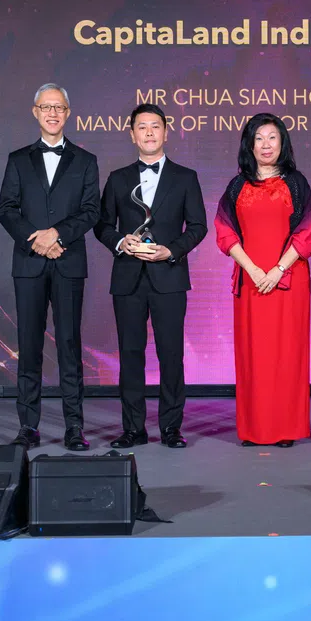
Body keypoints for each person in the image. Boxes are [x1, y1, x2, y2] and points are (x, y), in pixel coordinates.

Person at [94, 103, 208, 448]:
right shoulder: (118, 178)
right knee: (130, 354)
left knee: (171, 354)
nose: (149, 133)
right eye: (141, 127)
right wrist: (120, 242)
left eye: (155, 126)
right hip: (128, 278)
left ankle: (171, 428)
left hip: (169, 276)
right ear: (132, 134)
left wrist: (170, 251)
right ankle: (133, 429)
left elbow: (198, 226)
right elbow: (102, 225)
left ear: (166, 132)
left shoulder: (185, 177)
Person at [0, 83, 100, 450]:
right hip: (29, 264)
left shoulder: (85, 160)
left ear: (67, 113)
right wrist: (36, 240)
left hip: (68, 262)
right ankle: (28, 426)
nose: (53, 113)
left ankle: (74, 426)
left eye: (59, 107)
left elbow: (91, 211)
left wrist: (57, 234)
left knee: (70, 345)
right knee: (29, 345)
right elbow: (6, 209)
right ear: (35, 112)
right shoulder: (18, 159)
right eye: (46, 107)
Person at [215, 113, 311, 447]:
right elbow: (224, 231)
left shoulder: (296, 183)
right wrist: (253, 270)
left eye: (272, 137)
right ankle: (255, 429)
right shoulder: (237, 186)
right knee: (253, 355)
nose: (266, 145)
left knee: (287, 354)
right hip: (251, 281)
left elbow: (307, 231)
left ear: (283, 142)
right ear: (249, 145)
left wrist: (277, 270)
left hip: (289, 280)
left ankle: (285, 428)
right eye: (258, 138)